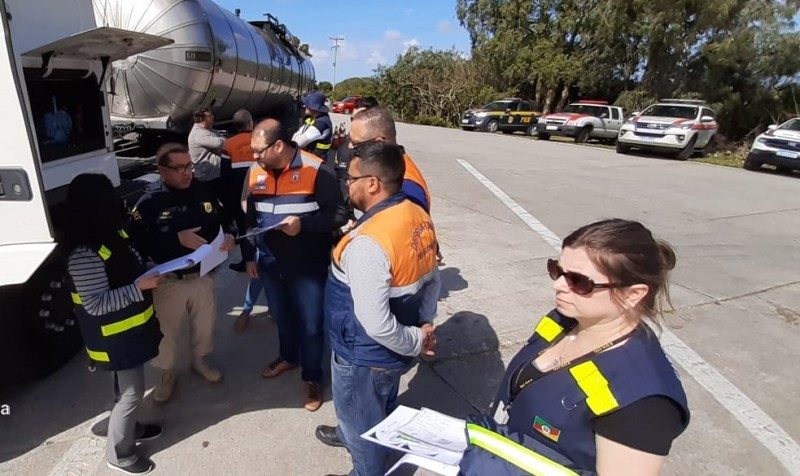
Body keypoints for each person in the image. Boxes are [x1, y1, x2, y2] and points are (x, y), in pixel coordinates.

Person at [459, 219, 690, 475]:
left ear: (632, 294)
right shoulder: (564, 320)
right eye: (556, 270)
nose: (557, 285)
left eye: (579, 281)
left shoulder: (642, 401)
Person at [315, 142, 440, 476]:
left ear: (372, 183)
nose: (346, 184)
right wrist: (425, 326)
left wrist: (417, 340)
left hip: (363, 357)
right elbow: (432, 279)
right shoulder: (416, 216)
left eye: (351, 177)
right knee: (382, 408)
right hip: (391, 354)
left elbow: (376, 323)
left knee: (362, 429)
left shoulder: (370, 242)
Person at [242, 118, 348, 411]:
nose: (254, 157)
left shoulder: (316, 170)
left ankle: (312, 377)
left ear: (278, 145)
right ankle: (288, 357)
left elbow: (339, 214)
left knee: (312, 324)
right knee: (283, 317)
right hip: (271, 263)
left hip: (307, 265)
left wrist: (304, 225)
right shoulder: (255, 171)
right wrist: (250, 254)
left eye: (258, 151)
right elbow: (250, 218)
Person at [65, 174, 163, 475]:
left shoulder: (111, 235)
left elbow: (127, 263)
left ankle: (129, 427)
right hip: (114, 339)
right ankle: (120, 455)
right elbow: (95, 303)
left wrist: (147, 270)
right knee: (132, 394)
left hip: (129, 333)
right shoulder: (84, 254)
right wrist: (140, 287)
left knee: (125, 392)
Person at [130, 143, 235, 404]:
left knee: (205, 324)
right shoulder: (149, 202)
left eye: (189, 166)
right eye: (178, 168)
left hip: (203, 275)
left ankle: (200, 361)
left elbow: (222, 220)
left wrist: (230, 236)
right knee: (167, 332)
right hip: (169, 281)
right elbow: (138, 244)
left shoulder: (203, 190)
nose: (186, 172)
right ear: (161, 170)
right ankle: (167, 374)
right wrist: (176, 239)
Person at [225, 109, 256, 273]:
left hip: (239, 194)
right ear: (251, 123)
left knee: (245, 229)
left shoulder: (228, 144)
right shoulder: (260, 140)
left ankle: (247, 261)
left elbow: (225, 173)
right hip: (261, 192)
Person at [188, 106, 226, 183]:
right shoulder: (199, 133)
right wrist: (223, 140)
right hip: (206, 176)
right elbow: (219, 143)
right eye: (209, 116)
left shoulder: (209, 130)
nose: (212, 117)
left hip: (213, 173)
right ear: (202, 119)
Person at [292, 90, 333, 159]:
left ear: (314, 108)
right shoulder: (313, 118)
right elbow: (298, 133)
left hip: (315, 161)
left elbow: (299, 142)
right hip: (310, 156)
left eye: (307, 104)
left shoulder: (321, 124)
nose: (304, 106)